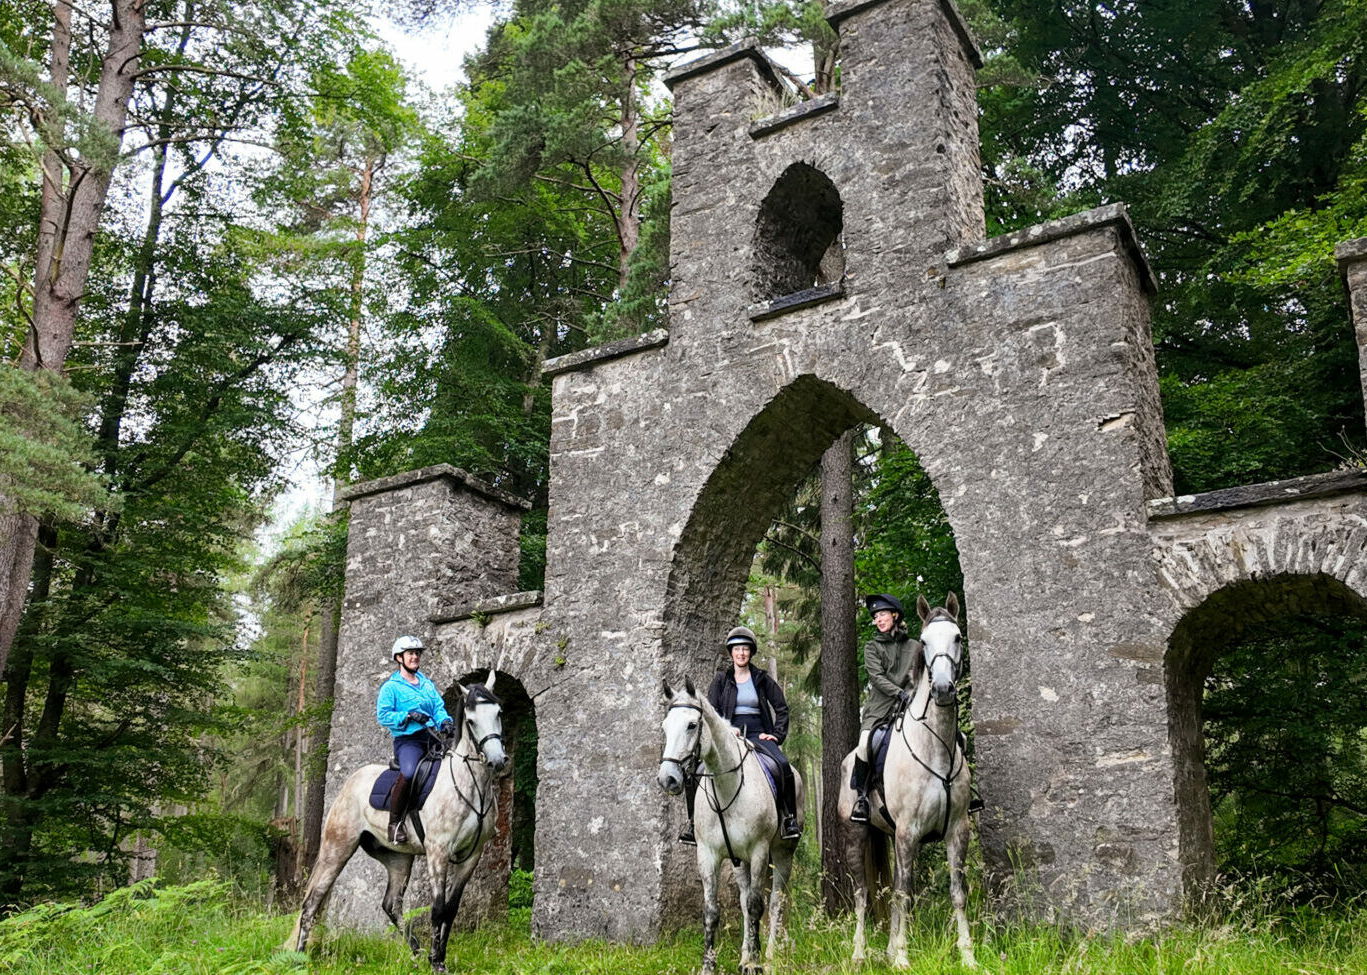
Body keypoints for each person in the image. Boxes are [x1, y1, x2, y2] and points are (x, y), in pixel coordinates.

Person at [680, 626, 802, 844]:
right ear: (731, 653)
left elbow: (781, 707)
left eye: (745, 649)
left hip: (758, 733)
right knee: (694, 770)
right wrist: (727, 729)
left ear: (751, 652)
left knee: (782, 765)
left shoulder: (762, 679)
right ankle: (692, 823)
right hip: (729, 734)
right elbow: (712, 711)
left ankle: (789, 819)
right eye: (737, 649)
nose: (741, 653)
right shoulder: (721, 680)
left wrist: (776, 734)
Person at [849, 594, 921, 824]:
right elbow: (877, 678)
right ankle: (861, 798)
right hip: (880, 710)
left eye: (882, 614)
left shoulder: (916, 647)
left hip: (912, 706)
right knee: (864, 745)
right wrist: (899, 693)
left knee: (951, 734)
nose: (878, 619)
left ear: (895, 615)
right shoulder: (872, 647)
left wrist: (914, 695)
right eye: (875, 617)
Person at [376, 634, 455, 843]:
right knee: (409, 773)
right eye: (411, 653)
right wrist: (408, 715)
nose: (415, 657)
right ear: (399, 658)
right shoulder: (391, 687)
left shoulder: (427, 685)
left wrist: (445, 722)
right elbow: (383, 716)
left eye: (417, 653)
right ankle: (394, 824)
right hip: (408, 741)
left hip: (431, 738)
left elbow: (438, 709)